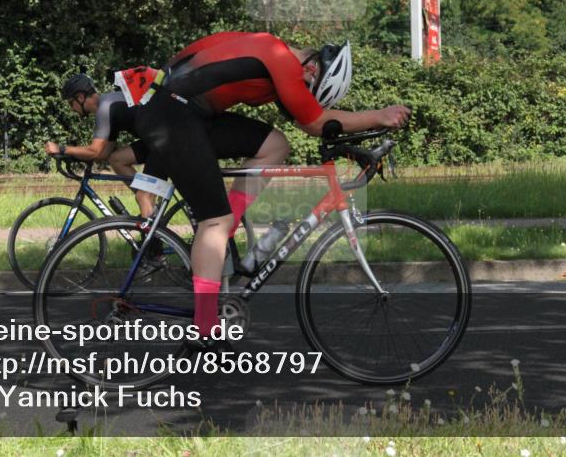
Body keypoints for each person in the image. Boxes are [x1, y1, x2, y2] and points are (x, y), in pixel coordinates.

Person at [126, 32, 410, 345]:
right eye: (310, 90)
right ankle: (205, 326)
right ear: (311, 71)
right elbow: (316, 123)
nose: (305, 92)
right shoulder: (279, 58)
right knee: (213, 221)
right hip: (173, 115)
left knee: (275, 145)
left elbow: (306, 121)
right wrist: (379, 115)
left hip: (188, 111)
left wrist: (361, 133)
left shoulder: (275, 53)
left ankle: (226, 229)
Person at [44, 71, 289, 216]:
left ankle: (153, 241)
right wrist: (74, 154)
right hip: (155, 137)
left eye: (70, 103)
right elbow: (105, 153)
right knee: (118, 159)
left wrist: (63, 149)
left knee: (143, 196)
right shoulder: (112, 105)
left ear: (79, 97)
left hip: (165, 136)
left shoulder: (104, 108)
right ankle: (152, 196)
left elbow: (95, 150)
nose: (72, 109)